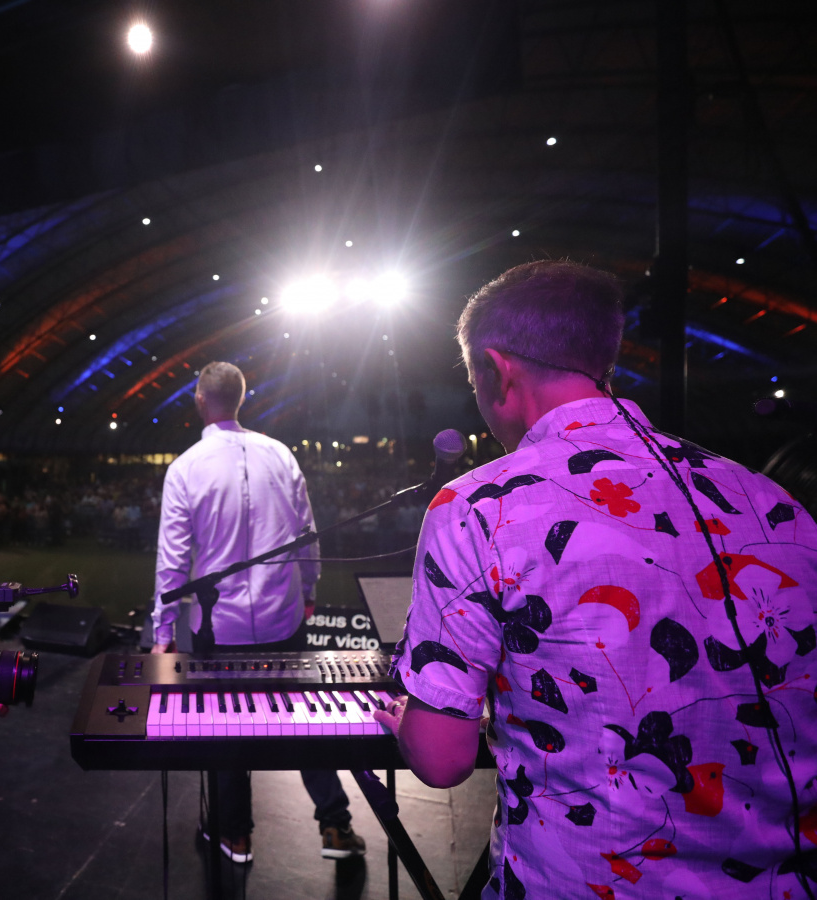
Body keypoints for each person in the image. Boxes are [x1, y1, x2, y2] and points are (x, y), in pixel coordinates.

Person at [373, 261, 817, 899]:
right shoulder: (772, 503)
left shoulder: (481, 506)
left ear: (497, 371)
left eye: (472, 380)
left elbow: (442, 760)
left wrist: (415, 726)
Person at [150, 361, 368, 864]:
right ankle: (335, 825)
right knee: (305, 717)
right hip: (282, 616)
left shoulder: (185, 467)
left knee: (225, 728)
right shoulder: (281, 455)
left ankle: (235, 835)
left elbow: (173, 561)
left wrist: (162, 631)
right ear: (241, 398)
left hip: (218, 628)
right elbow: (307, 535)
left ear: (200, 400)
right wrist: (308, 589)